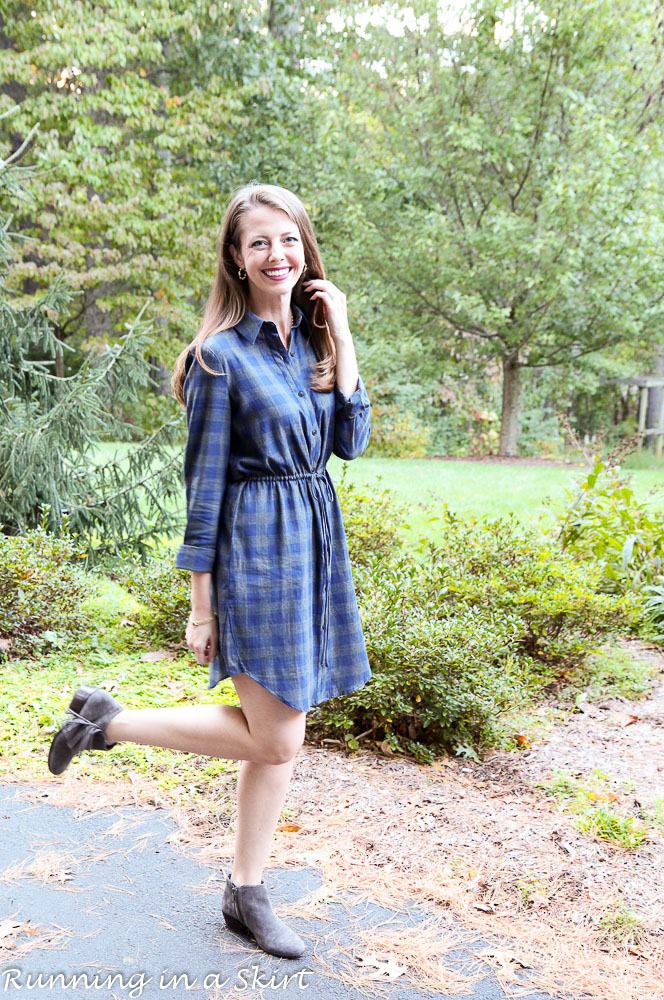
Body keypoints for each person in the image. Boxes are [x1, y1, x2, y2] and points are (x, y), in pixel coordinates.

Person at [47, 183, 373, 960]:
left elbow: (352, 443)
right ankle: (109, 727)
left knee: (276, 734)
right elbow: (203, 492)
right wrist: (202, 607)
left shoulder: (315, 347)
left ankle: (246, 890)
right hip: (255, 552)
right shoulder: (216, 359)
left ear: (305, 248)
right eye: (258, 243)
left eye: (287, 239)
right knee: (281, 737)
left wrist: (346, 335)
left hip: (314, 546)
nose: (276, 255)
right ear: (235, 257)